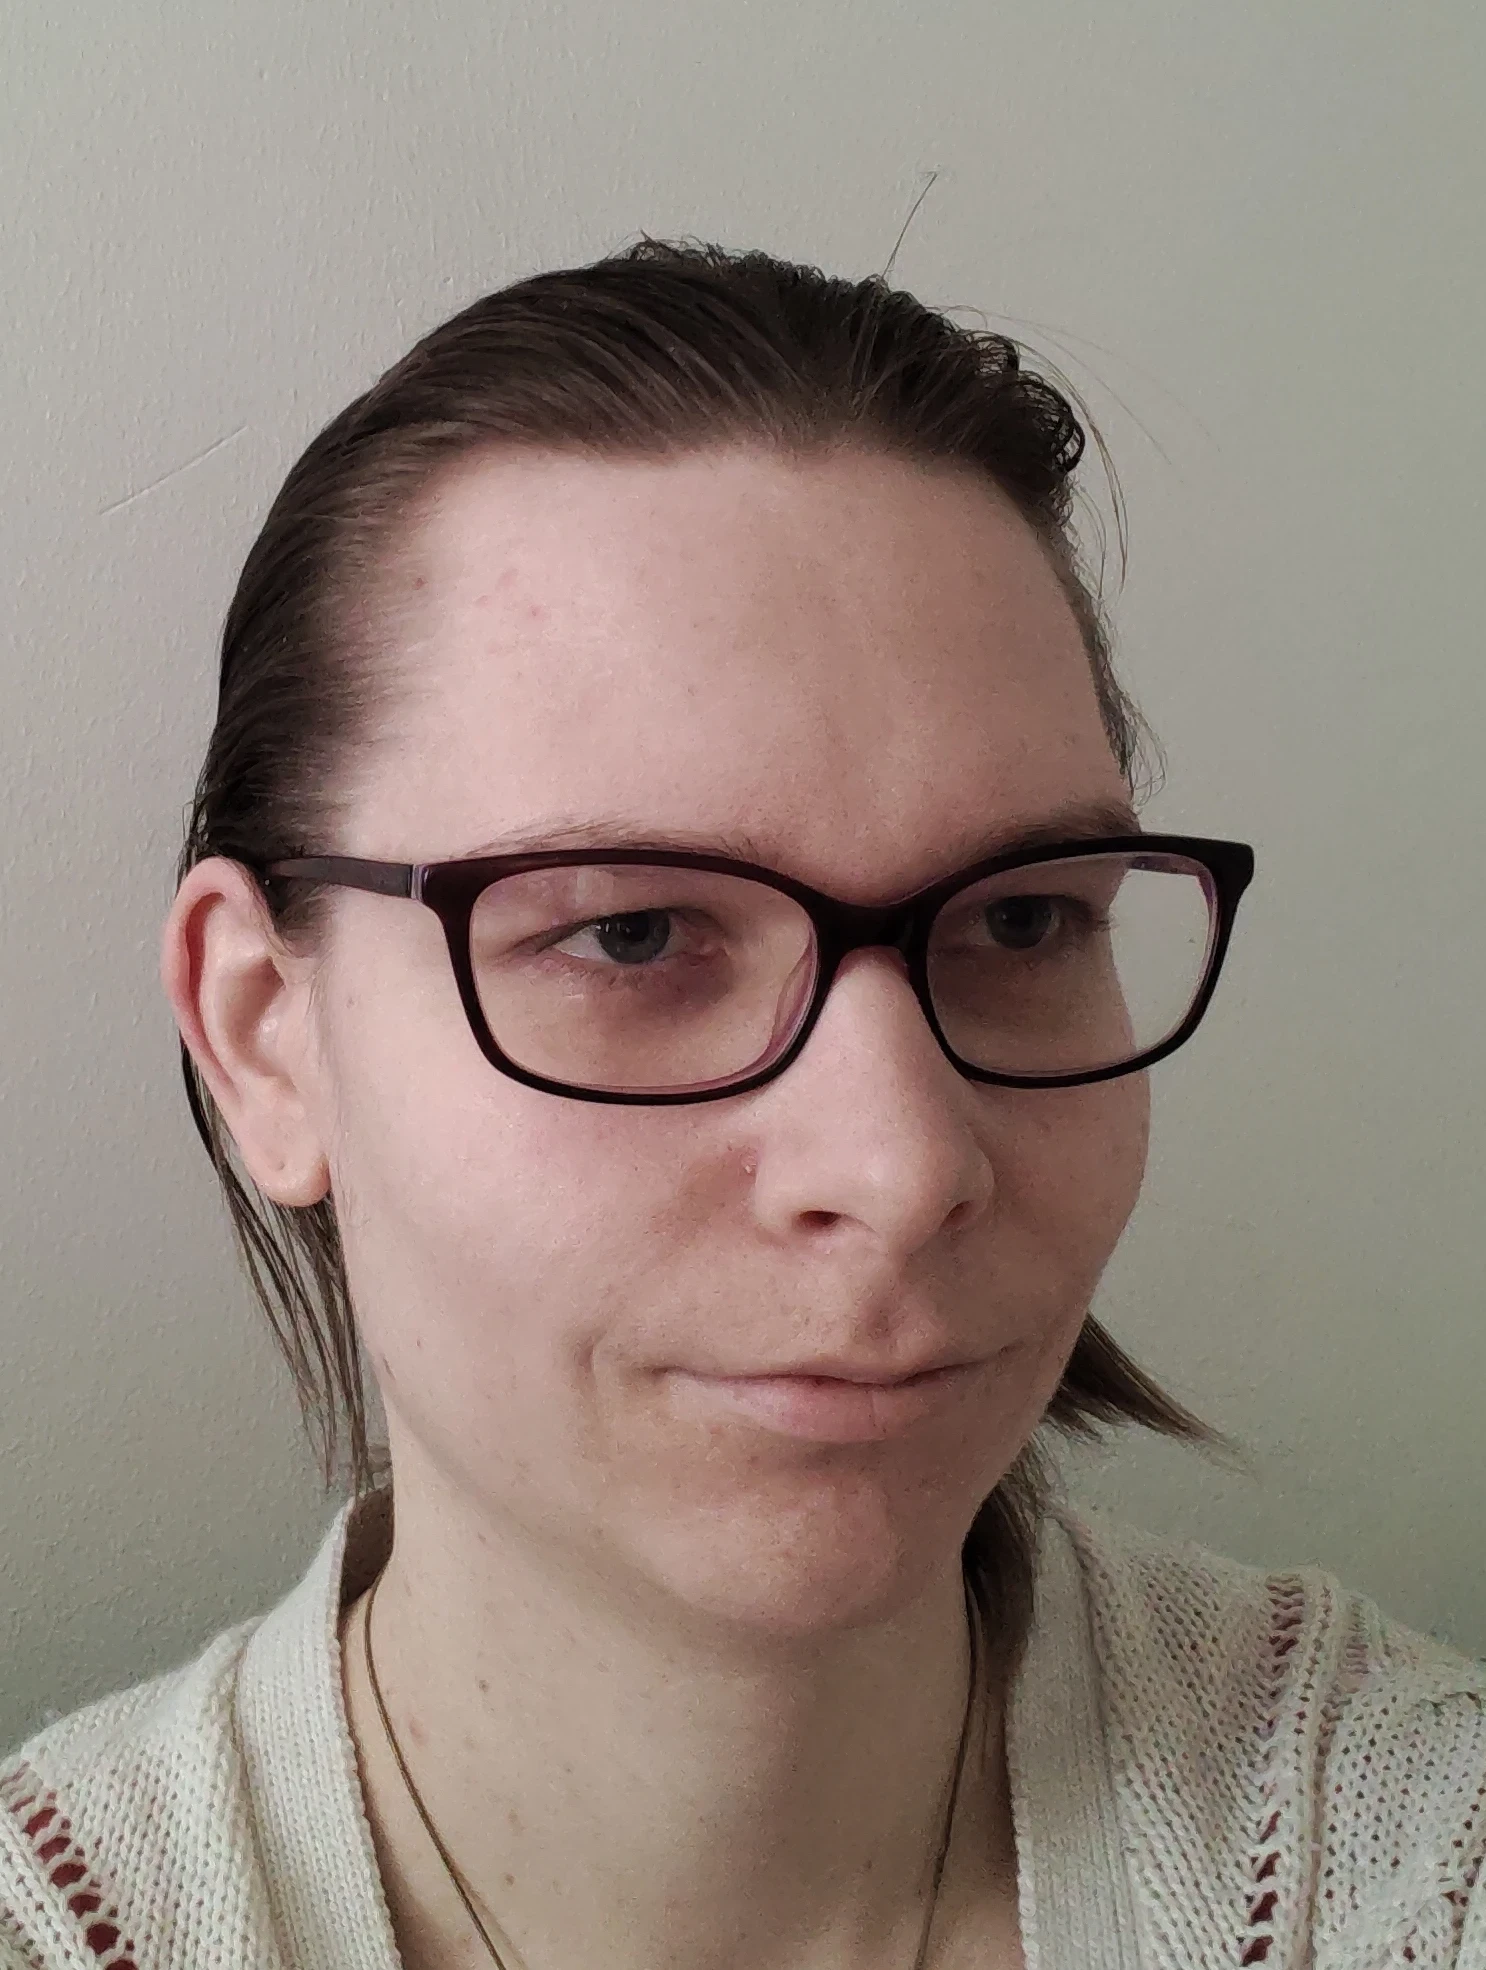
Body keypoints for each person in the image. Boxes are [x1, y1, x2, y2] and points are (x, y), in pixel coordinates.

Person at [2, 240, 1481, 1970]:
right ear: (265, 1035)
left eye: (1021, 921)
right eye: (631, 933)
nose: (903, 1163)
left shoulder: (1411, 1860)